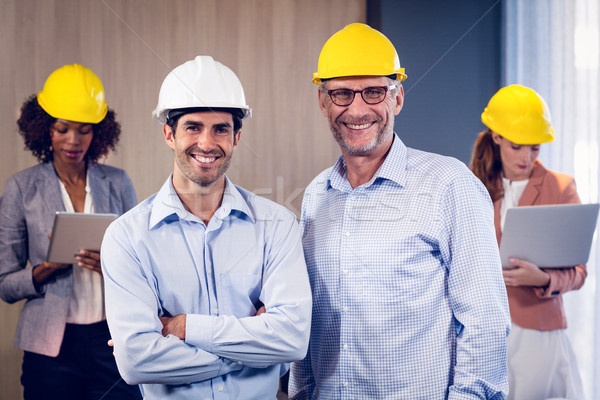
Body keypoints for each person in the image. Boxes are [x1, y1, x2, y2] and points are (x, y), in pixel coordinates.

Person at [289, 23, 511, 399]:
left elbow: (485, 322)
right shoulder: (316, 196)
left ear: (398, 98)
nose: (357, 109)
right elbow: (310, 320)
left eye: (374, 91)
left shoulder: (449, 185)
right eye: (341, 94)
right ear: (323, 102)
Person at [100, 55, 312, 399]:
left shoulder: (277, 225)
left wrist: (184, 328)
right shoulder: (127, 237)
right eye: (193, 127)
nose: (207, 143)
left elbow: (292, 339)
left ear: (237, 137)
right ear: (169, 133)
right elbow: (136, 361)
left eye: (221, 129)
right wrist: (257, 353)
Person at [0, 64, 140, 399]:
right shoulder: (21, 188)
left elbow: (143, 268)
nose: (73, 141)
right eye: (62, 129)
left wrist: (110, 265)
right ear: (44, 129)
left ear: (99, 132)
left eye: (84, 130)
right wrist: (46, 269)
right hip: (50, 349)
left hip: (112, 340)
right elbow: (5, 283)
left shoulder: (119, 183)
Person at [470, 84, 586, 400]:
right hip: (486, 329)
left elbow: (579, 271)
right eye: (518, 147)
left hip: (538, 330)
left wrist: (545, 279)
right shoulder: (475, 186)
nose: (527, 157)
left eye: (535, 148)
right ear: (497, 137)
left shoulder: (560, 188)